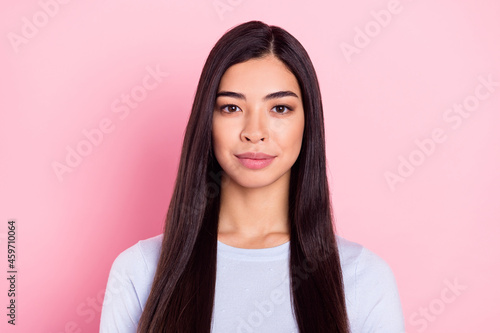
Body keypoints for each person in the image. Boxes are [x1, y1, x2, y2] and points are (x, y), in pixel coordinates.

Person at [99, 20, 406, 333]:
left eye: (280, 109)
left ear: (307, 121)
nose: (254, 132)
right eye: (231, 107)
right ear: (207, 120)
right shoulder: (139, 271)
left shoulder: (363, 277)